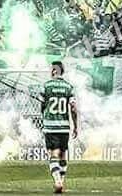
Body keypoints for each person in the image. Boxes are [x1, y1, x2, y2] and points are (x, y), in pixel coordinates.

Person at [40, 61, 78, 194]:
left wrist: (44, 113)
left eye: (51, 69)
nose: (50, 71)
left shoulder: (46, 86)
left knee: (53, 154)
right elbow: (73, 108)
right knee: (63, 155)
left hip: (50, 126)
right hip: (64, 127)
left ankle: (57, 181)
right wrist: (75, 126)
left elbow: (42, 104)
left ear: (55, 70)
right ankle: (61, 181)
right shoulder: (69, 87)